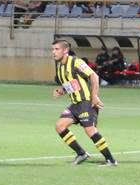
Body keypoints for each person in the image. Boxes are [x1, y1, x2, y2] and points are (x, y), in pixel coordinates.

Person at [50, 38, 116, 167]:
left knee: (90, 131)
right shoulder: (59, 67)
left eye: (56, 49)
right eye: (52, 49)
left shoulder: (76, 62)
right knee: (59, 126)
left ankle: (111, 160)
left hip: (86, 102)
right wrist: (62, 91)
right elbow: (75, 83)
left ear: (65, 50)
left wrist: (95, 96)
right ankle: (81, 153)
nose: (53, 52)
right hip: (75, 104)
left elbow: (94, 76)